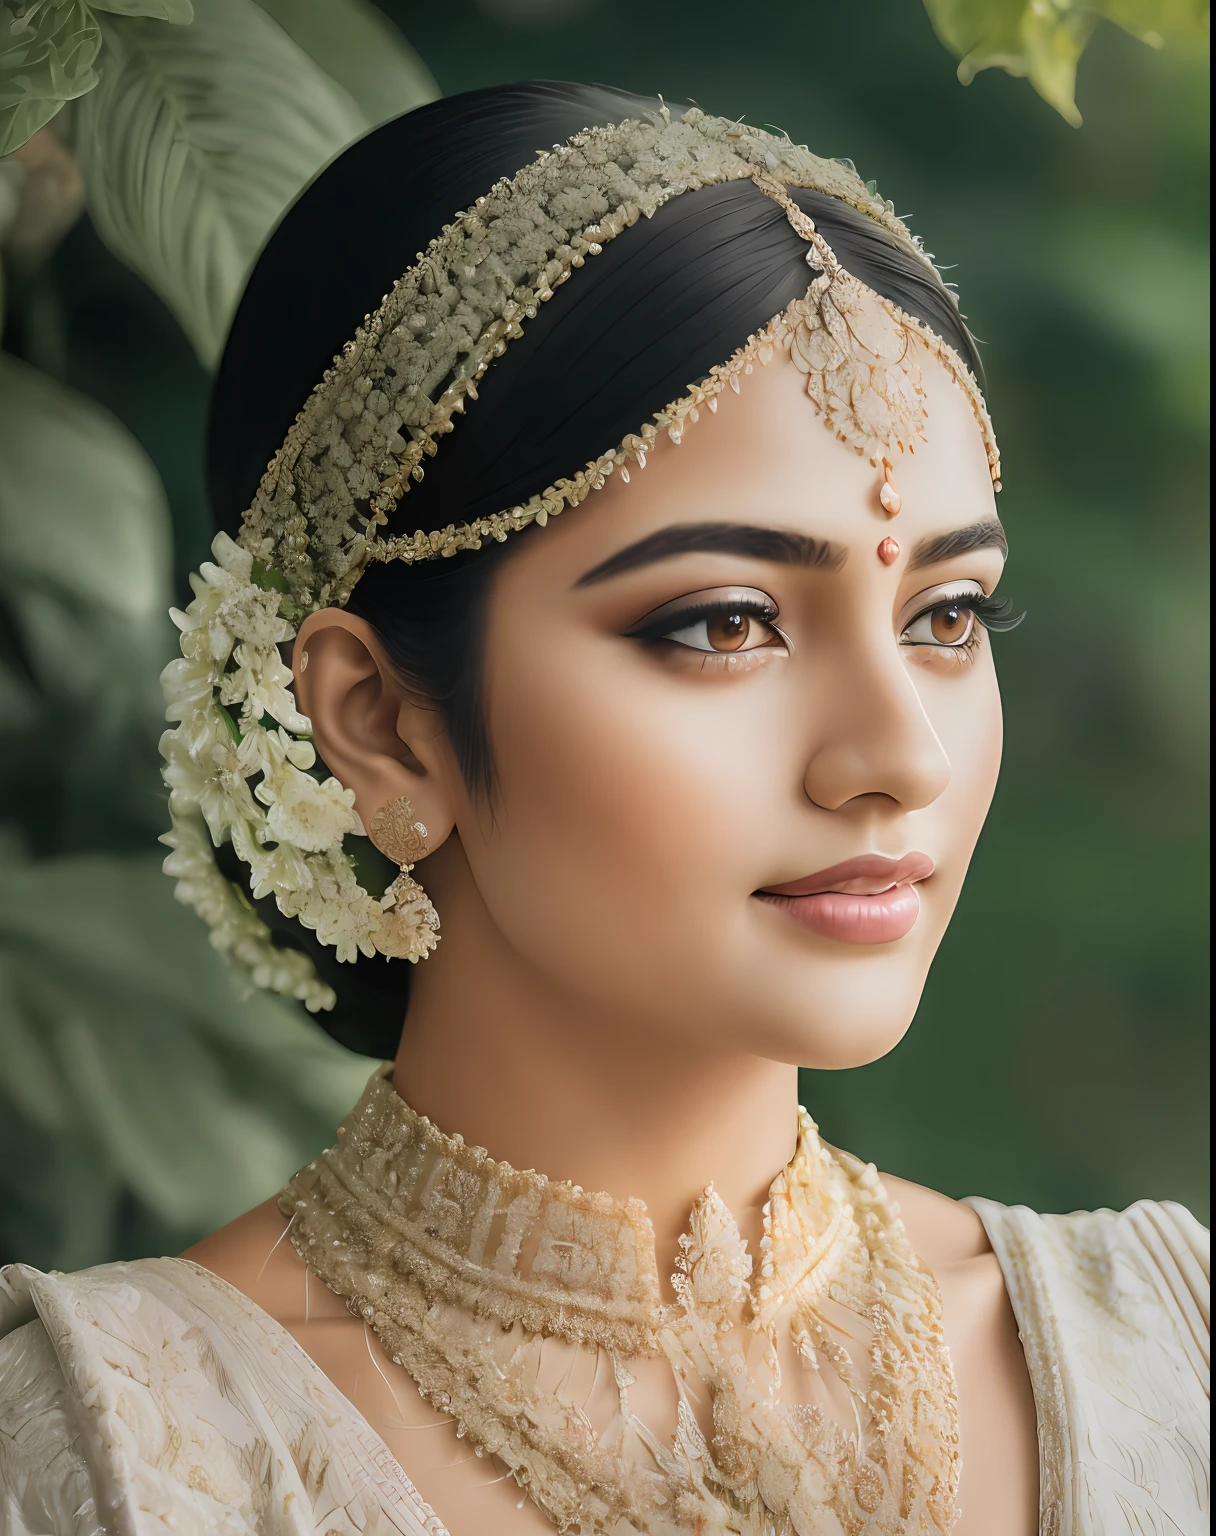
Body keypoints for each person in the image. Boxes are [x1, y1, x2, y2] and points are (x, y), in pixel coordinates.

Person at [0, 83, 1207, 1536]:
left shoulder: (1170, 1355)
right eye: (724, 624)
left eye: (947, 613)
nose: (902, 754)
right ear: (382, 724)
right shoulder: (112, 1449)